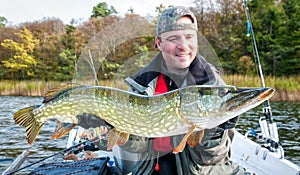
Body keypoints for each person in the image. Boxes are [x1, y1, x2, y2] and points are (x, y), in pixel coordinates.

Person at [113, 6, 246, 175]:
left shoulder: (212, 84)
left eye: (189, 37)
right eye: (174, 38)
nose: (183, 46)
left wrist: (214, 133)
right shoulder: (142, 85)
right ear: (159, 43)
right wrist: (111, 125)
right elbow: (137, 147)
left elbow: (214, 159)